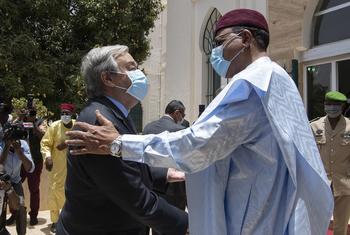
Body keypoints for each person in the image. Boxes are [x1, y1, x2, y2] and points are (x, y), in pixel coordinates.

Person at [65, 9, 333, 234]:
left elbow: (197, 145)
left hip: (255, 215)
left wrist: (119, 144)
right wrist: (170, 176)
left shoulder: (253, 85)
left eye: (220, 42)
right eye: (132, 67)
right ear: (107, 79)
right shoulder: (276, 78)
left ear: (246, 38)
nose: (214, 52)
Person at [56, 45, 188, 235]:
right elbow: (135, 198)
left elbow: (125, 165)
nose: (140, 74)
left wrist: (165, 174)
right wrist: (186, 225)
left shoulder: (115, 114)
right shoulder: (98, 123)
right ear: (108, 78)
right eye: (131, 68)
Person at [143, 100, 187, 234]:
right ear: (177, 113)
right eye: (183, 115)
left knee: (157, 225)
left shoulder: (148, 127)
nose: (182, 119)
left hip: (152, 184)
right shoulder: (180, 131)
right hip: (174, 188)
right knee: (174, 226)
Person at [310, 91, 350, 235]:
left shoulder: (349, 127)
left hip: (344, 183)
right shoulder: (314, 127)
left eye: (336, 105)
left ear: (343, 106)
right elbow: (308, 155)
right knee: (317, 223)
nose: (332, 107)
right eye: (329, 104)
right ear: (324, 106)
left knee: (341, 226)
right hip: (320, 183)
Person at [40, 103, 75, 233]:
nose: (65, 116)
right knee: (55, 193)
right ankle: (55, 221)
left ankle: (70, 219)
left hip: (74, 166)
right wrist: (48, 157)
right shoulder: (54, 126)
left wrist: (67, 143)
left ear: (72, 115)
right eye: (63, 113)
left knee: (72, 193)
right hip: (57, 167)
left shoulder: (77, 125)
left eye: (67, 113)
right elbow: (45, 143)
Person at [0, 105, 35, 235]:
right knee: (1, 211)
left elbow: (30, 168)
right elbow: (0, 164)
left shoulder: (23, 144)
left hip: (15, 180)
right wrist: (6, 146)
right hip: (1, 181)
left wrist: (19, 151)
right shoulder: (1, 143)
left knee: (21, 207)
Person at [20, 108, 47, 225]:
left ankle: (34, 215)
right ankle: (16, 213)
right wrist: (21, 118)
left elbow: (43, 136)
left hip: (35, 161)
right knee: (13, 186)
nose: (30, 114)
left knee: (34, 190)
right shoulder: (21, 120)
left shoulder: (40, 122)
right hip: (19, 161)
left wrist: (33, 125)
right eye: (29, 111)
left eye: (33, 112)